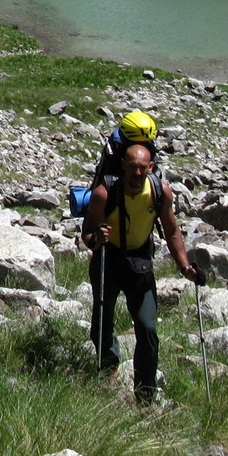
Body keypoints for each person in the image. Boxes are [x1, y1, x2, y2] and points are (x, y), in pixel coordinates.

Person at [81, 142, 202, 405]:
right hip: (107, 260)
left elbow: (171, 231)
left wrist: (186, 268)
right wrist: (96, 239)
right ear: (123, 165)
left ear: (151, 168)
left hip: (140, 263)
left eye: (142, 168)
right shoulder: (104, 193)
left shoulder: (161, 192)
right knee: (102, 321)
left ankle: (145, 393)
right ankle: (107, 371)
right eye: (132, 167)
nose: (137, 173)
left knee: (147, 327)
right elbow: (87, 235)